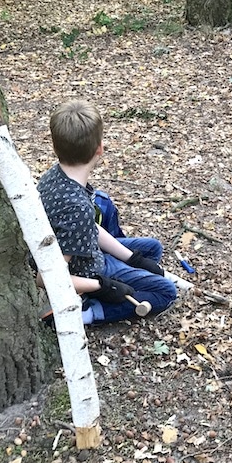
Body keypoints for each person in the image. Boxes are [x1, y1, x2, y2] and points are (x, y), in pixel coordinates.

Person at [36, 100, 177, 325]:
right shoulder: (77, 208)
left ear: (55, 148)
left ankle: (121, 272)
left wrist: (133, 258)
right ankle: (87, 312)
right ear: (99, 149)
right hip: (88, 271)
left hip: (89, 253)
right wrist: (103, 286)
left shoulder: (54, 176)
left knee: (152, 249)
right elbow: (47, 278)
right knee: (166, 291)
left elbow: (88, 229)